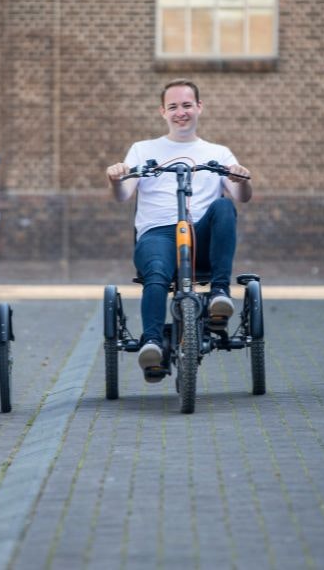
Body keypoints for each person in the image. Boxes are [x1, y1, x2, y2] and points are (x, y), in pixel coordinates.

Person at [106, 79, 252, 382]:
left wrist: (242, 179)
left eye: (187, 105)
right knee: (156, 271)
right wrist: (116, 177)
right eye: (173, 106)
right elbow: (123, 196)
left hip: (201, 239)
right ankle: (152, 343)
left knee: (224, 206)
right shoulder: (143, 149)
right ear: (163, 111)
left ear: (199, 107)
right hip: (158, 233)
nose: (180, 112)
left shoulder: (219, 152)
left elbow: (242, 197)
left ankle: (219, 295)